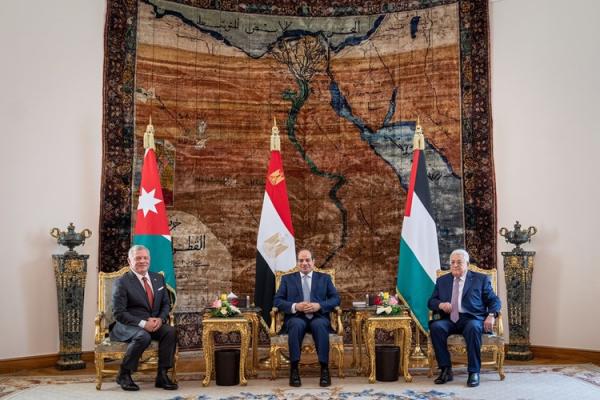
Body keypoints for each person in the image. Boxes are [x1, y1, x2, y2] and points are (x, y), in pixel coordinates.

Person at [428, 249, 501, 387]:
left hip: (471, 318)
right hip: (449, 319)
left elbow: (494, 300)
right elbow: (431, 302)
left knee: (473, 327)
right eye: (452, 262)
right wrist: (440, 304)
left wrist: (491, 315)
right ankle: (445, 369)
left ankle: (474, 372)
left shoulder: (480, 279)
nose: (455, 265)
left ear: (467, 264)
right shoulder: (442, 280)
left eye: (459, 262)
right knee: (436, 327)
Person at [110, 245, 178, 391]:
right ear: (129, 261)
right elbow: (118, 313)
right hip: (129, 324)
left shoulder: (158, 278)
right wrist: (143, 323)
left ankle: (162, 375)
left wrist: (160, 319)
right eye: (138, 258)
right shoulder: (122, 282)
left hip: (153, 322)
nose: (142, 261)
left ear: (149, 259)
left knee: (170, 331)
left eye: (145, 258)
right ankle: (124, 374)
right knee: (143, 336)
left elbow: (166, 304)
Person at [273, 249, 340, 387]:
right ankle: (294, 369)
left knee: (319, 325)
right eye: (301, 260)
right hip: (296, 317)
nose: (304, 263)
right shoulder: (287, 279)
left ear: (313, 262)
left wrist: (319, 306)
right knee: (296, 325)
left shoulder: (324, 278)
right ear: (297, 263)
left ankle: (324, 369)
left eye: (307, 260)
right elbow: (277, 301)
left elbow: (336, 299)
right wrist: (295, 306)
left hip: (318, 316)